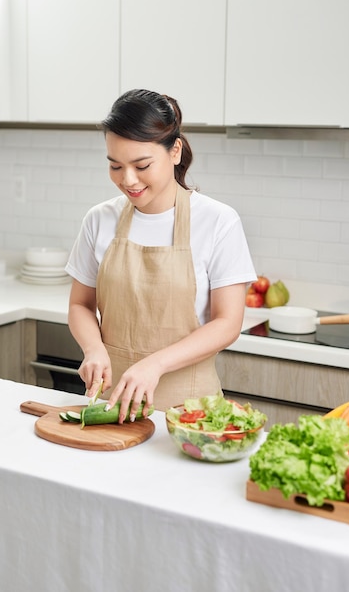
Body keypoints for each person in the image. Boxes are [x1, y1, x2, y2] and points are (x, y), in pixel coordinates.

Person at [66, 89, 256, 424]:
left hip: (191, 415)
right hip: (112, 410)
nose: (128, 180)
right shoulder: (99, 219)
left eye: (142, 165)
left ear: (175, 151)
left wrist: (154, 364)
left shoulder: (217, 221)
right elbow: (80, 304)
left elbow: (228, 322)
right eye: (115, 166)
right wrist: (93, 348)